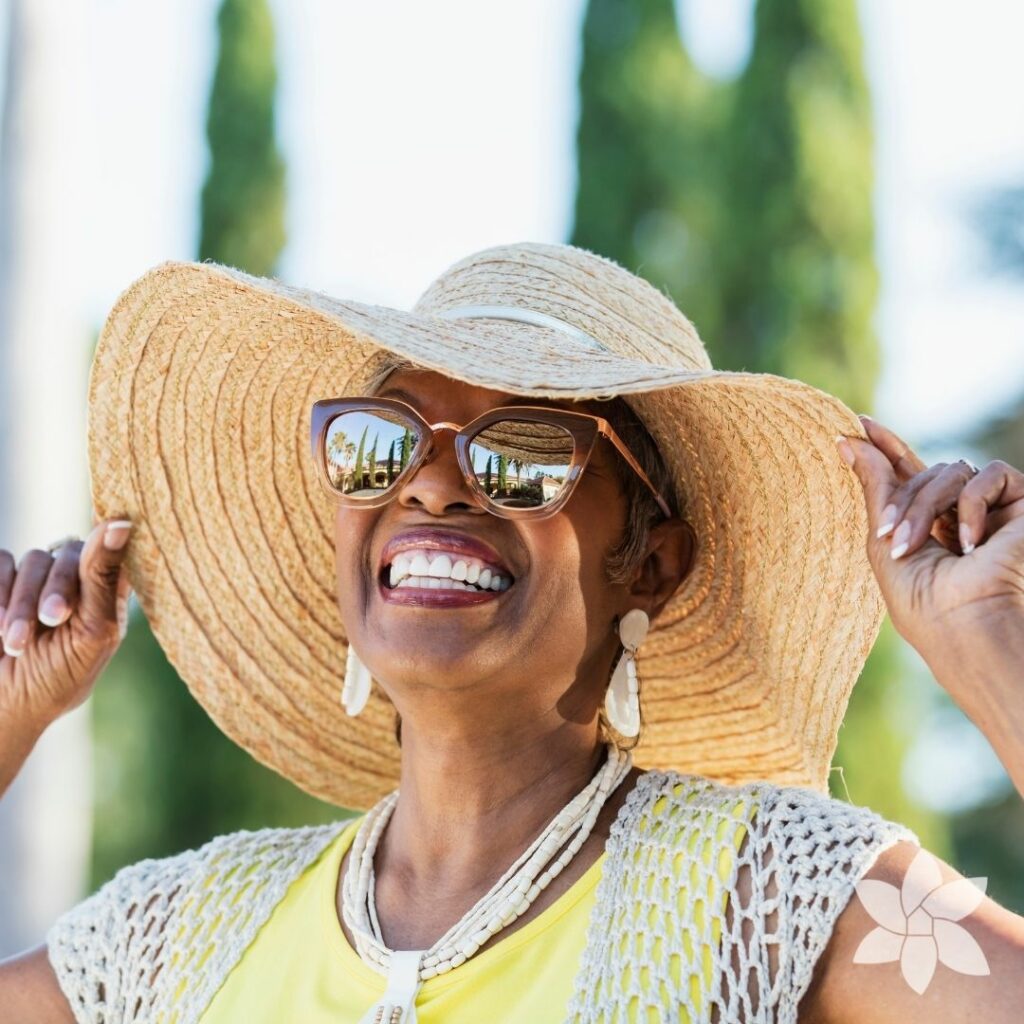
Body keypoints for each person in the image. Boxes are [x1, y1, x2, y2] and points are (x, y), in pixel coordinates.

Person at [1, 241, 1023, 1023]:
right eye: (379, 443)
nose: (433, 483)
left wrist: (988, 646)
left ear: (652, 563)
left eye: (525, 452)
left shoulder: (780, 894)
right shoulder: (173, 937)